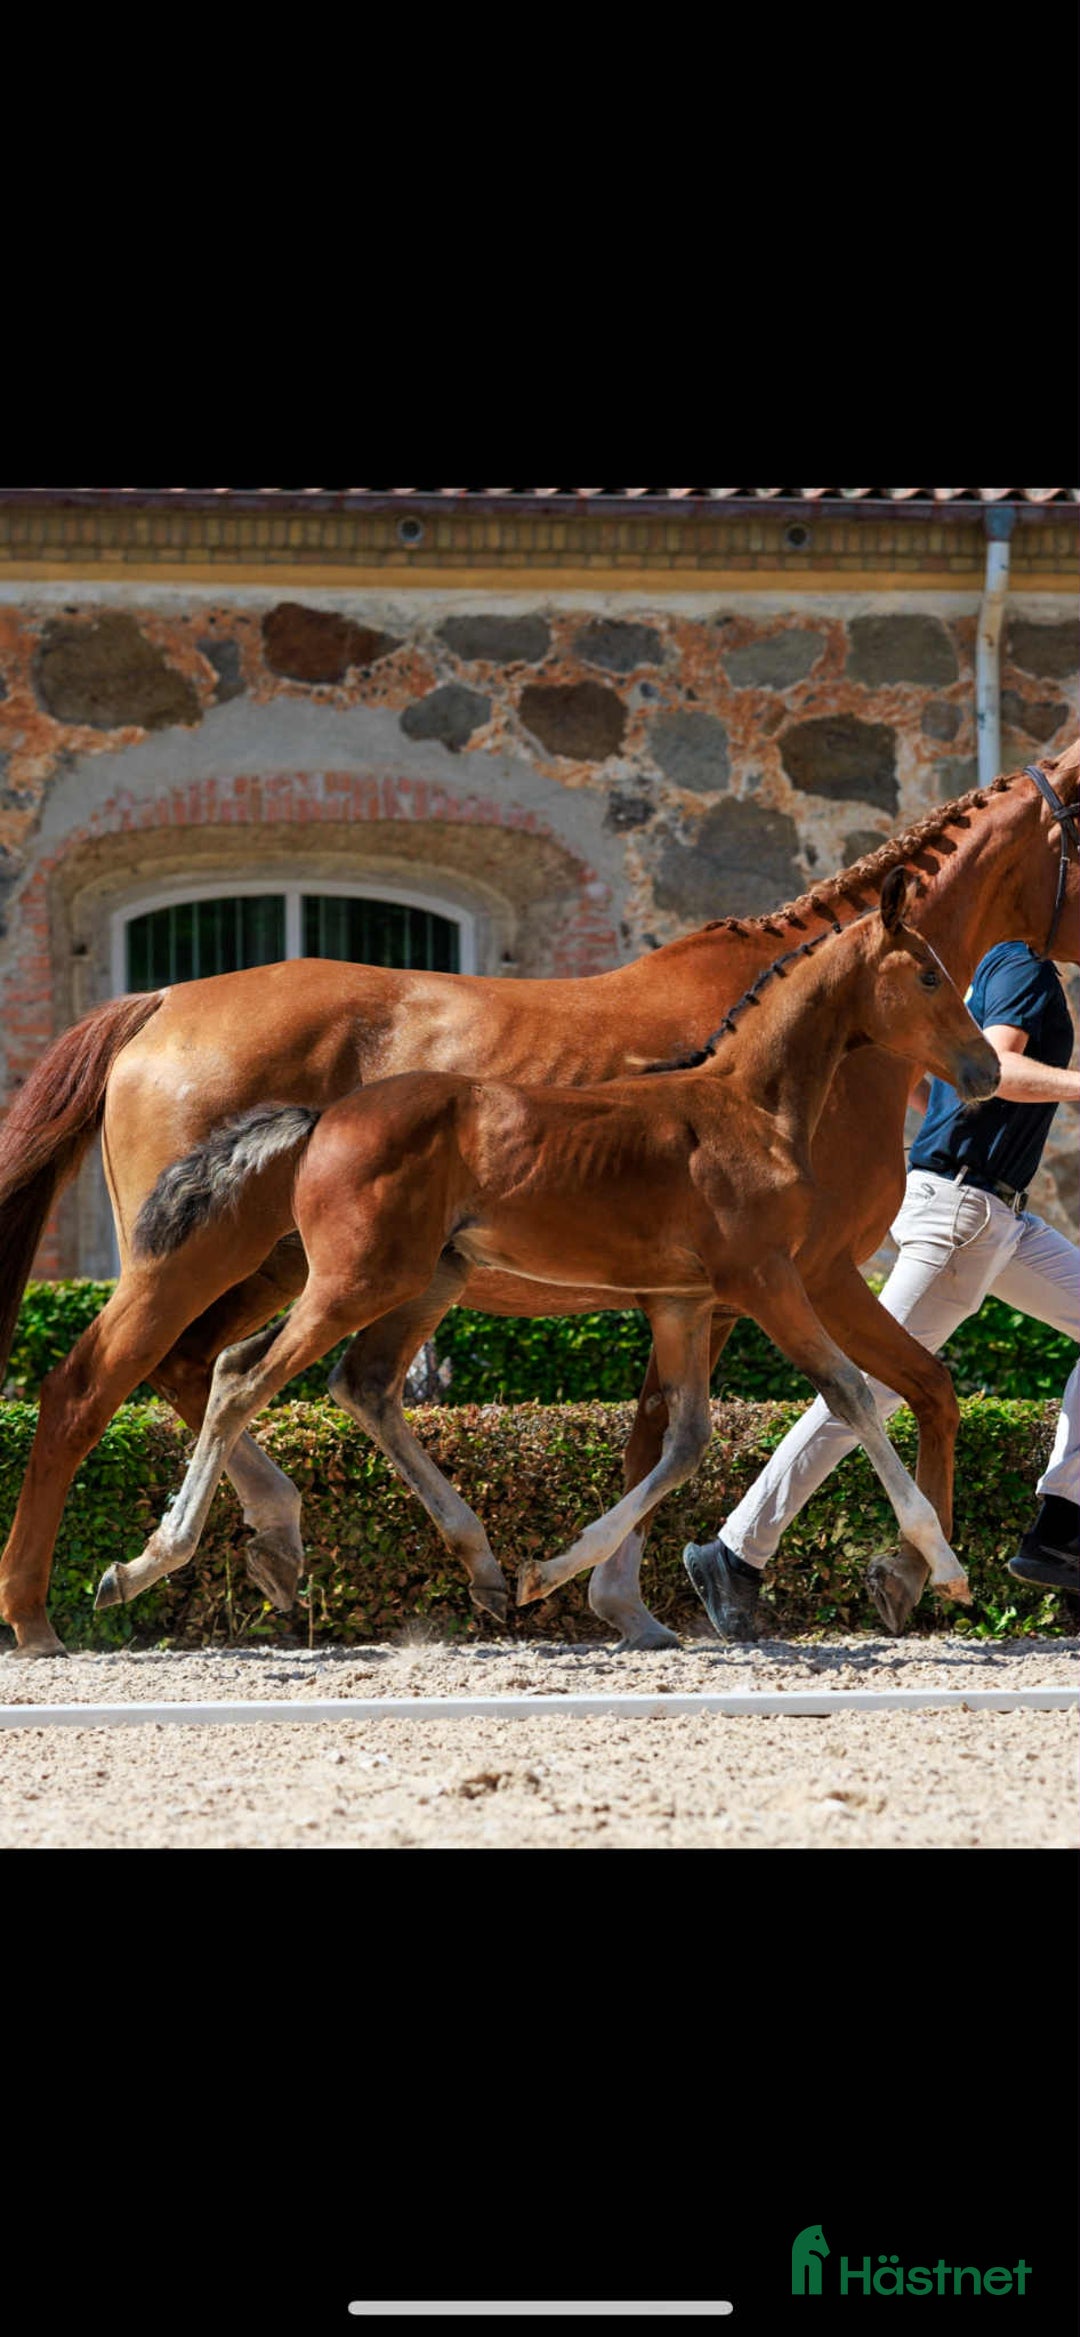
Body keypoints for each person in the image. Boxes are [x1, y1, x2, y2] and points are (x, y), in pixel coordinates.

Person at [682, 939, 1080, 1638]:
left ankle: (1062, 1522)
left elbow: (944, 1073)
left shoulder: (995, 964)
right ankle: (735, 1551)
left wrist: (935, 1125)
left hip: (995, 1214)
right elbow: (998, 1066)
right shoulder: (1024, 966)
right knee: (870, 1387)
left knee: (875, 1386)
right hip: (965, 1209)